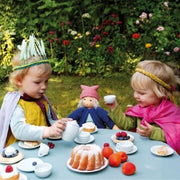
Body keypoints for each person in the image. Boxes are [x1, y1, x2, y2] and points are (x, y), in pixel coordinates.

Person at [0, 34, 72, 151]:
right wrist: (47, 131)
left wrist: (59, 123)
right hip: (21, 152)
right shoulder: (18, 105)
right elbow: (19, 130)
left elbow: (48, 121)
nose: (44, 87)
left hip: (39, 148)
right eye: (37, 82)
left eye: (46, 81)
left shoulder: (42, 100)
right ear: (19, 81)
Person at [105, 60, 180, 155]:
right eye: (135, 91)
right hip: (140, 151)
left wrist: (153, 132)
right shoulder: (140, 109)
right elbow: (127, 125)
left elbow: (176, 135)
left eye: (141, 93)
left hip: (160, 154)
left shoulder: (170, 112)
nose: (135, 95)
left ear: (161, 92)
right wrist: (114, 108)